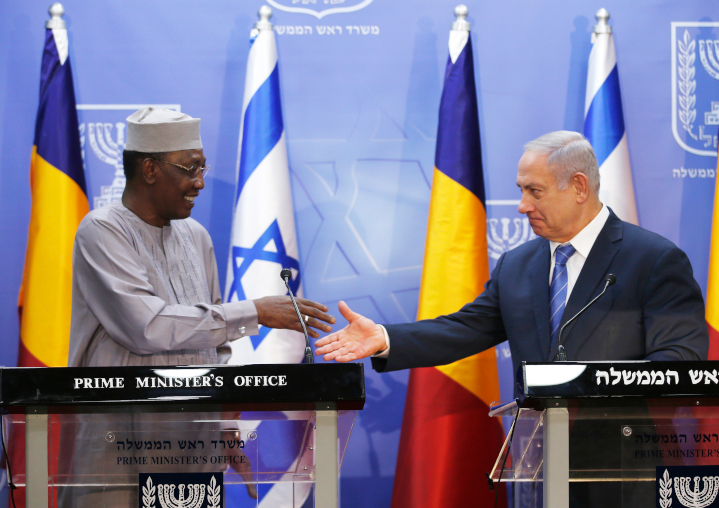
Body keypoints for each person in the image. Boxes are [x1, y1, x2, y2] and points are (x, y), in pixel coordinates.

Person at [315, 130, 708, 373]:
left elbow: (679, 361)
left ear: (579, 187)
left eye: (534, 191)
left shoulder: (653, 261)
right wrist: (385, 337)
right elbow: (464, 329)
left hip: (622, 463)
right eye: (521, 190)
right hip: (538, 459)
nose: (522, 205)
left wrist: (593, 390)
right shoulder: (518, 265)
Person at [69, 107, 334, 367]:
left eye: (202, 169)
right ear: (150, 170)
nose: (200, 183)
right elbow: (146, 328)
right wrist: (256, 311)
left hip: (200, 409)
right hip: (125, 408)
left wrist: (224, 396)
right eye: (190, 168)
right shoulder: (103, 231)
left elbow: (216, 339)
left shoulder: (196, 235)